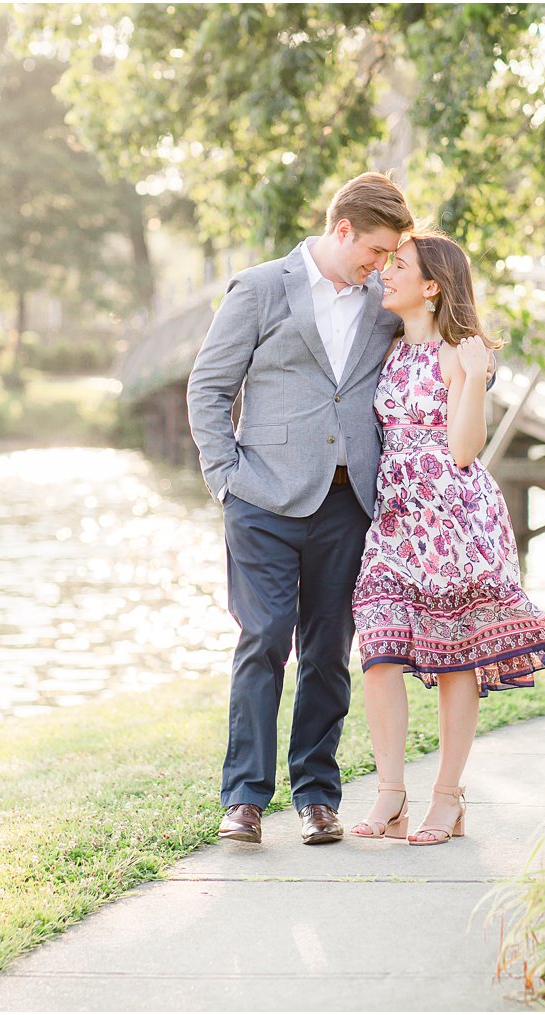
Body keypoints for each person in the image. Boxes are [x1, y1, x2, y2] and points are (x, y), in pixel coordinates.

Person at [187, 172, 415, 845]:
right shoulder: (260, 288)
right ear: (341, 230)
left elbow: (438, 333)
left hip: (348, 503)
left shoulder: (383, 301)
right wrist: (224, 478)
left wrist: (477, 363)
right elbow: (208, 384)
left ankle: (317, 795)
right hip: (259, 497)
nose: (381, 264)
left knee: (326, 650)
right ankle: (245, 798)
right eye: (374, 250)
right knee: (263, 638)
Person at [348, 231, 545, 845]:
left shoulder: (458, 354)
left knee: (455, 657)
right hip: (396, 517)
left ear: (432, 287)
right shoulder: (388, 347)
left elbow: (464, 450)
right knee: (379, 643)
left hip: (453, 519)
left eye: (399, 267)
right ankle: (391, 793)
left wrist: (473, 379)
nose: (385, 274)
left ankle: (447, 796)